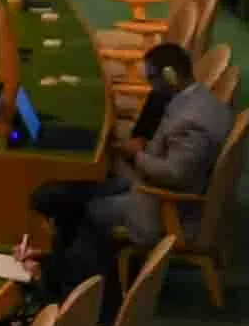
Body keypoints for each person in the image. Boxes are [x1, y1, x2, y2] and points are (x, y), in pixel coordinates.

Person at [33, 42, 232, 283]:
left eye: (152, 78)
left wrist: (136, 155)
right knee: (77, 191)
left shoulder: (191, 122)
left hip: (165, 207)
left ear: (169, 76)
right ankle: (61, 266)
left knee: (90, 210)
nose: (151, 86)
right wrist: (143, 150)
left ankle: (81, 283)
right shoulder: (205, 101)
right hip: (154, 186)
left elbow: (175, 174)